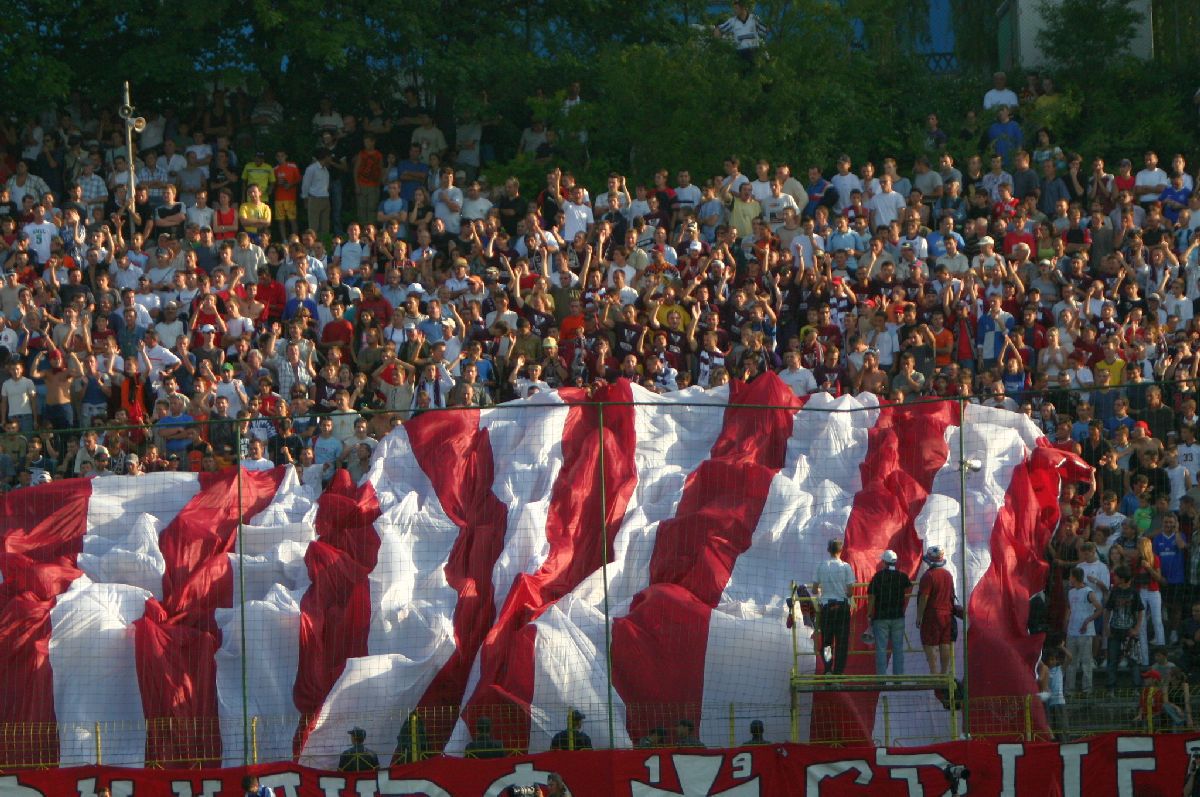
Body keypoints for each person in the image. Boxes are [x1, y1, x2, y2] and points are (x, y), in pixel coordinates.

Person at [812, 537, 855, 675]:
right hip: (842, 607)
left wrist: (821, 591)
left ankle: (828, 668)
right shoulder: (846, 567)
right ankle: (838, 672)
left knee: (827, 641)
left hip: (827, 607)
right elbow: (850, 592)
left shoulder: (821, 566)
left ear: (828, 550)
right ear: (841, 550)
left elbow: (814, 589)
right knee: (842, 643)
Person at [867, 549, 912, 677]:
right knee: (898, 648)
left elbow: (871, 596)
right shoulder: (902, 577)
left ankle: (881, 678)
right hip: (898, 616)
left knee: (881, 649)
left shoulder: (878, 577)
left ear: (884, 562)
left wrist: (869, 614)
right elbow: (908, 587)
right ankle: (898, 677)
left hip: (881, 617)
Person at [1064, 566, 1103, 696]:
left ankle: (1087, 689)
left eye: (1070, 576)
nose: (1069, 579)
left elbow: (1099, 609)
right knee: (1070, 662)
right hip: (1072, 631)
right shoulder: (1071, 592)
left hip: (1085, 633)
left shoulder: (1089, 592)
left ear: (1074, 577)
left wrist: (1087, 621)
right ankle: (1069, 689)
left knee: (1086, 661)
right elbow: (1070, 609)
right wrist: (1066, 623)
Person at [1104, 566, 1145, 693]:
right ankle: (1111, 687)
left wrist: (1137, 628)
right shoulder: (1114, 592)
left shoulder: (1134, 592)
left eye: (1116, 576)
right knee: (1112, 660)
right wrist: (1106, 626)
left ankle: (1137, 687)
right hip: (1115, 630)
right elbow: (1108, 609)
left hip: (1129, 631)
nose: (1114, 578)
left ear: (1121, 578)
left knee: (1133, 661)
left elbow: (1140, 611)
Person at [916, 545, 955, 676]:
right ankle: (944, 673)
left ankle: (934, 672)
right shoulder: (948, 575)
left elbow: (924, 597)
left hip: (932, 614)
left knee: (929, 643)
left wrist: (919, 616)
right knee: (944, 642)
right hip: (947, 614)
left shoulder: (929, 576)